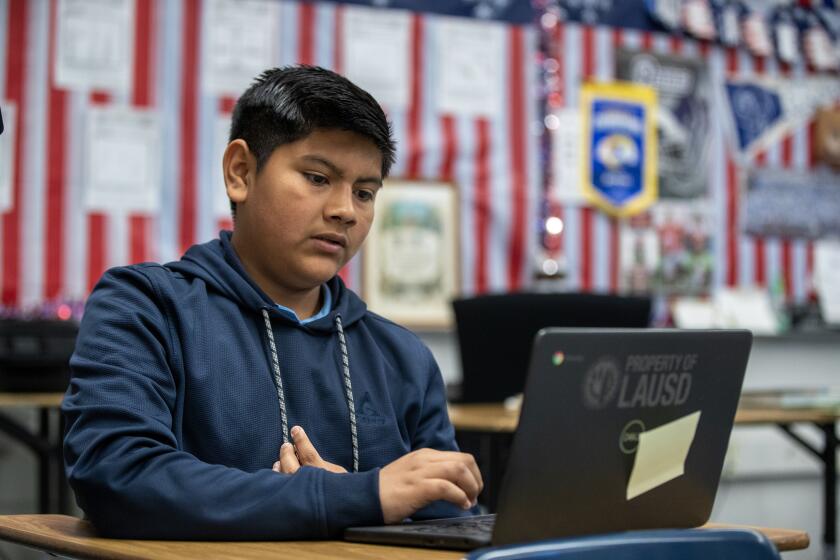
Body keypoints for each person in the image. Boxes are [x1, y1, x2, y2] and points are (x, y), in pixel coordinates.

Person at [62, 66, 482, 540]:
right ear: (240, 172)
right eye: (318, 177)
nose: (345, 210)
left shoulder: (402, 356)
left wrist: (372, 501)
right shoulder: (145, 307)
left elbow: (451, 519)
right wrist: (352, 498)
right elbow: (116, 476)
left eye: (364, 193)